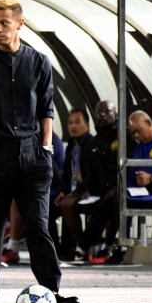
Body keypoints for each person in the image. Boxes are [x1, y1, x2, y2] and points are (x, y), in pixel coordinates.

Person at [0, 0, 78, 303]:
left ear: (19, 24)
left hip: (33, 158)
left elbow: (46, 108)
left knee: (39, 226)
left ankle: (53, 293)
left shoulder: (39, 61)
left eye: (4, 23)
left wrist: (47, 147)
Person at [60, 100, 131, 263]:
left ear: (116, 115)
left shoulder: (123, 138)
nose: (102, 115)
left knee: (110, 203)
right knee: (67, 203)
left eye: (107, 111)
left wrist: (117, 188)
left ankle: (105, 247)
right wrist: (87, 189)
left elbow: (129, 169)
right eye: (99, 112)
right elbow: (89, 173)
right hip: (98, 191)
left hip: (120, 191)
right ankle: (80, 248)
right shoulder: (94, 142)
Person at [0, 131, 65, 265]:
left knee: (19, 198)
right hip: (33, 188)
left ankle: (13, 246)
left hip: (51, 190)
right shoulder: (20, 138)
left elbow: (55, 176)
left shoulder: (48, 139)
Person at [52, 109, 93, 256]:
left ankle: (81, 246)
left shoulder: (92, 145)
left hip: (87, 190)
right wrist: (63, 191)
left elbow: (93, 174)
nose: (72, 126)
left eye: (77, 122)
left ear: (87, 126)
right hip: (72, 189)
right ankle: (55, 250)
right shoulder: (71, 146)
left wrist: (83, 190)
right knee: (47, 207)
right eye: (70, 123)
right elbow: (67, 175)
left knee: (68, 204)